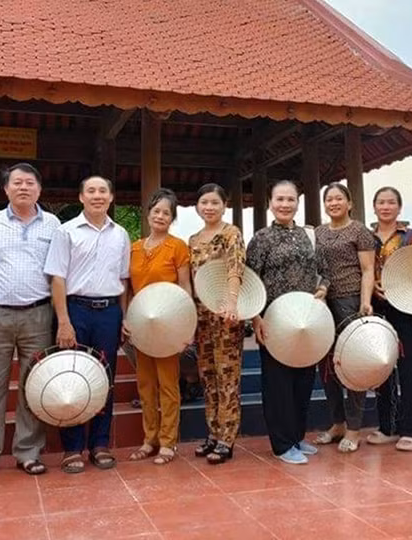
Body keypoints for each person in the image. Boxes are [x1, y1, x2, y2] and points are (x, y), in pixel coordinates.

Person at [0, 163, 60, 479]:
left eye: (30, 182)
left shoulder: (54, 224)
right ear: (6, 189)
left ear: (39, 190)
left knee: (34, 384)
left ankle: (28, 452)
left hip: (38, 313)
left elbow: (58, 271)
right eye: (16, 183)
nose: (23, 188)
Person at [44, 176, 131, 474]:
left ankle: (100, 443)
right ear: (81, 197)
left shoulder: (120, 234)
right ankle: (72, 447)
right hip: (76, 309)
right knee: (72, 376)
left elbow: (122, 280)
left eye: (103, 191)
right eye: (91, 191)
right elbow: (57, 277)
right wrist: (64, 321)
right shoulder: (65, 232)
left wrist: (124, 317)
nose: (97, 196)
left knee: (104, 378)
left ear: (111, 197)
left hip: (109, 311)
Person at [247, 180, 329, 464]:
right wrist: (255, 317)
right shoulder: (261, 239)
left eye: (290, 199)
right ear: (270, 202)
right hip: (274, 320)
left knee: (303, 380)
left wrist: (323, 289)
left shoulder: (309, 235)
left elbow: (324, 270)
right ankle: (282, 444)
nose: (285, 204)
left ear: (298, 202)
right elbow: (250, 281)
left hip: (306, 320)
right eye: (279, 199)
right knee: (278, 382)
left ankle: (296, 436)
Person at [124, 188, 192, 466]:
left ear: (172, 218)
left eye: (166, 212)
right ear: (148, 214)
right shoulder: (135, 248)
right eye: (156, 211)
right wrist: (125, 318)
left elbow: (185, 286)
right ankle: (148, 439)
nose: (160, 216)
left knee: (167, 384)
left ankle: (168, 442)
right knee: (145, 384)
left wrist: (187, 326)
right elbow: (127, 288)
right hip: (141, 324)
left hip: (169, 325)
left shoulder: (177, 247)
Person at [313, 182, 375, 453]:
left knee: (353, 364)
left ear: (349, 203)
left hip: (350, 300)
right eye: (329, 199)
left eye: (339, 199)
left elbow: (368, 269)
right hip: (322, 302)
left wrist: (365, 301)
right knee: (326, 366)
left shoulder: (359, 230)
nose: (334, 203)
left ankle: (354, 427)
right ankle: (336, 423)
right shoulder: (318, 232)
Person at [189, 183, 246, 465]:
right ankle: (213, 431)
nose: (209, 207)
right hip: (201, 317)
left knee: (227, 377)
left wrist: (232, 302)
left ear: (224, 205)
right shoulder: (193, 239)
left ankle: (227, 437)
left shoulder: (230, 234)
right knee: (208, 376)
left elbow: (236, 267)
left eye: (214, 202)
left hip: (226, 315)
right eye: (204, 202)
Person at [367, 186, 412, 452]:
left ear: (399, 207)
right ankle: (387, 426)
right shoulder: (366, 237)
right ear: (374, 207)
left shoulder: (410, 237)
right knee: (382, 366)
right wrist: (372, 289)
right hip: (376, 307)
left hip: (405, 307)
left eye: (391, 202)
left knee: (408, 366)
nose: (386, 207)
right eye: (381, 202)